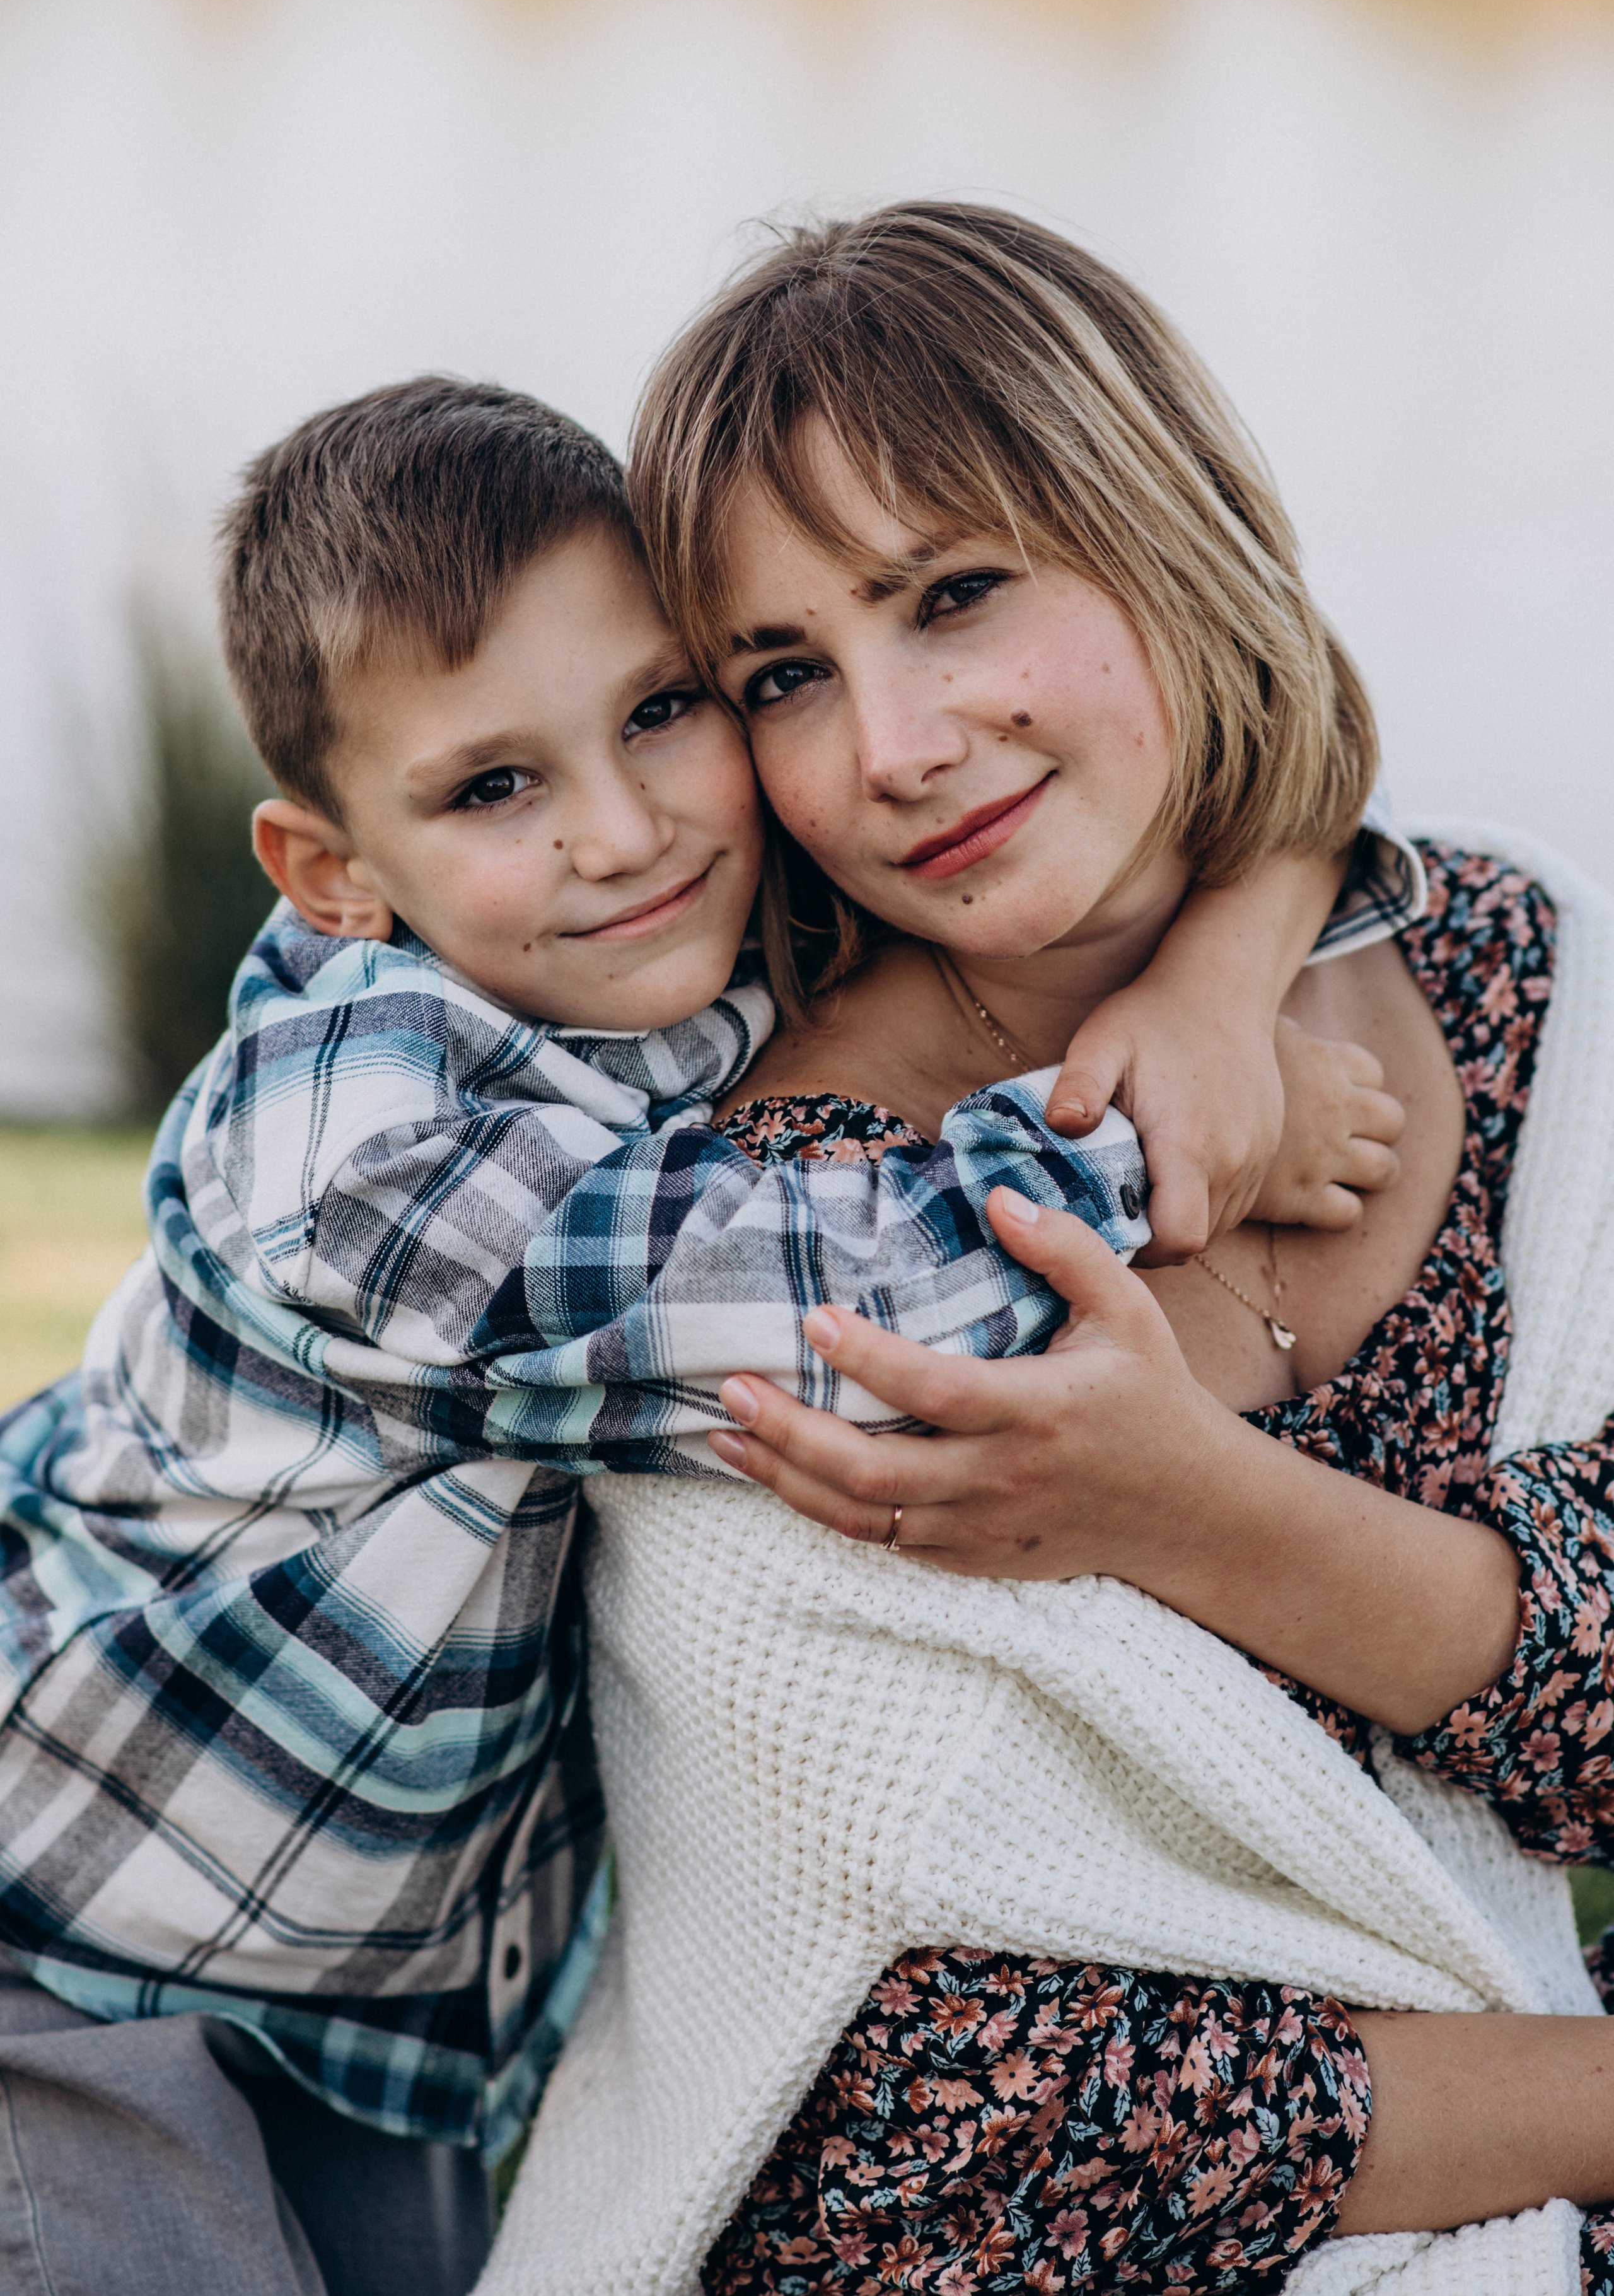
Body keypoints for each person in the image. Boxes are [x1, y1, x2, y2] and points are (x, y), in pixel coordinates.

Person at [0, 377, 1388, 2296]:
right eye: (494, 787)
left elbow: (1274, 753)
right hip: (63, 1938)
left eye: (662, 710)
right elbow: (821, 1312)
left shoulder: (653, 929)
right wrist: (1158, 1137)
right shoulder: (355, 1147)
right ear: (333, 873)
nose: (621, 825)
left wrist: (1224, 984)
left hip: (360, 2003)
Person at [482, 204, 1614, 2296]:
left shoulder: (1521, 974)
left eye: (954, 594)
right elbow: (911, 2124)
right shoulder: (769, 1242)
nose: (895, 752)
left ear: (1159, 522)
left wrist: (1197, 1512)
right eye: (785, 677)